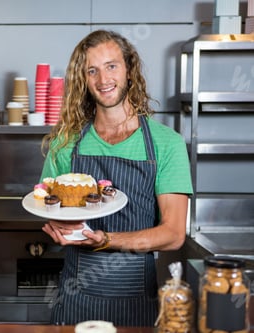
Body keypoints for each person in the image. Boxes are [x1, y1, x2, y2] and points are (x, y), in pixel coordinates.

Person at [39, 30, 193, 326]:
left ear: (129, 70)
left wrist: (107, 240)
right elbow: (46, 203)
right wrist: (55, 225)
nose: (103, 79)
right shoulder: (66, 143)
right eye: (92, 70)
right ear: (83, 80)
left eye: (111, 66)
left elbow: (174, 234)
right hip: (75, 297)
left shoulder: (166, 144)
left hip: (136, 299)